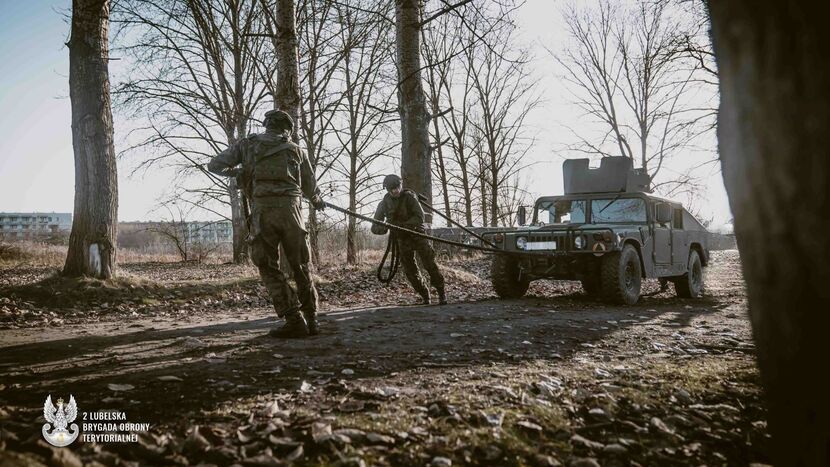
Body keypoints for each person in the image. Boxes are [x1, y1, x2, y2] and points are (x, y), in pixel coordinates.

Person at [208, 109, 325, 338]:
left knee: (267, 266)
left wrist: (241, 172)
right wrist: (317, 201)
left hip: (263, 212)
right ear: (287, 129)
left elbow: (214, 165)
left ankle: (293, 318)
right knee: (301, 265)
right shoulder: (297, 150)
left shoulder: (247, 145)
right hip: (292, 212)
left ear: (267, 125)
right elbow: (311, 188)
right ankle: (312, 319)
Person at [371, 174, 447, 305]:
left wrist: (401, 226)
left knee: (430, 265)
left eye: (397, 187)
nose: (395, 191)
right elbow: (375, 226)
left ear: (400, 185)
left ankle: (441, 293)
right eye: (392, 189)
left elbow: (419, 217)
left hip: (418, 236)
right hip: (402, 240)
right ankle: (425, 295)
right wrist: (383, 229)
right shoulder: (383, 204)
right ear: (387, 190)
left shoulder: (410, 198)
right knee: (411, 271)